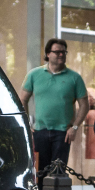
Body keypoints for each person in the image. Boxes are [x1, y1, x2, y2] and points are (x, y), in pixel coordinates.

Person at [20, 38, 88, 177]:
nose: (61, 55)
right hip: (39, 132)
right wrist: (27, 124)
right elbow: (22, 100)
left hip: (63, 134)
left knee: (58, 175)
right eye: (57, 52)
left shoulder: (74, 78)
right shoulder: (34, 74)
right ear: (48, 54)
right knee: (39, 174)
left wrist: (74, 127)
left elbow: (84, 105)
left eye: (64, 52)